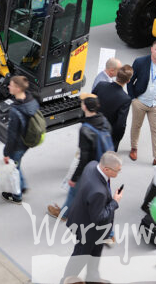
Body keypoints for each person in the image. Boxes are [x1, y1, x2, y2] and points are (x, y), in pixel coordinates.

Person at [48, 93, 113, 222]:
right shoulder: (104, 121)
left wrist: (74, 178)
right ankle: (108, 230)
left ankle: (64, 214)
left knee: (74, 190)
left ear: (84, 107)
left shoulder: (85, 129)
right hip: (104, 164)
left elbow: (84, 158)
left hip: (90, 168)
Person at [60, 152, 123, 284]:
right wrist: (114, 202)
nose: (118, 173)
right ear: (106, 169)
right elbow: (99, 217)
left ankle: (92, 278)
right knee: (80, 256)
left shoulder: (92, 166)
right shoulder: (98, 192)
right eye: (117, 171)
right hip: (89, 232)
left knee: (95, 254)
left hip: (87, 224)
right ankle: (66, 280)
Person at [128, 39, 156, 164]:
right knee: (136, 126)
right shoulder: (140, 62)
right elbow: (130, 81)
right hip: (140, 102)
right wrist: (133, 98)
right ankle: (134, 148)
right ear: (152, 49)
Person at [0, 75, 40, 204]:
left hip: (18, 144)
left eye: (11, 85)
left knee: (13, 168)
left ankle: (16, 196)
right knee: (17, 163)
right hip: (28, 140)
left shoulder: (16, 110)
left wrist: (6, 153)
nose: (8, 86)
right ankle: (22, 186)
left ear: (17, 88)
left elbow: (12, 135)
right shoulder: (32, 100)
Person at [93, 64, 133, 151]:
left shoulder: (101, 85)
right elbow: (120, 124)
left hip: (92, 127)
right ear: (128, 81)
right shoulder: (125, 99)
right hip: (107, 135)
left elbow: (90, 103)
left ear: (117, 74)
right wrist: (116, 140)